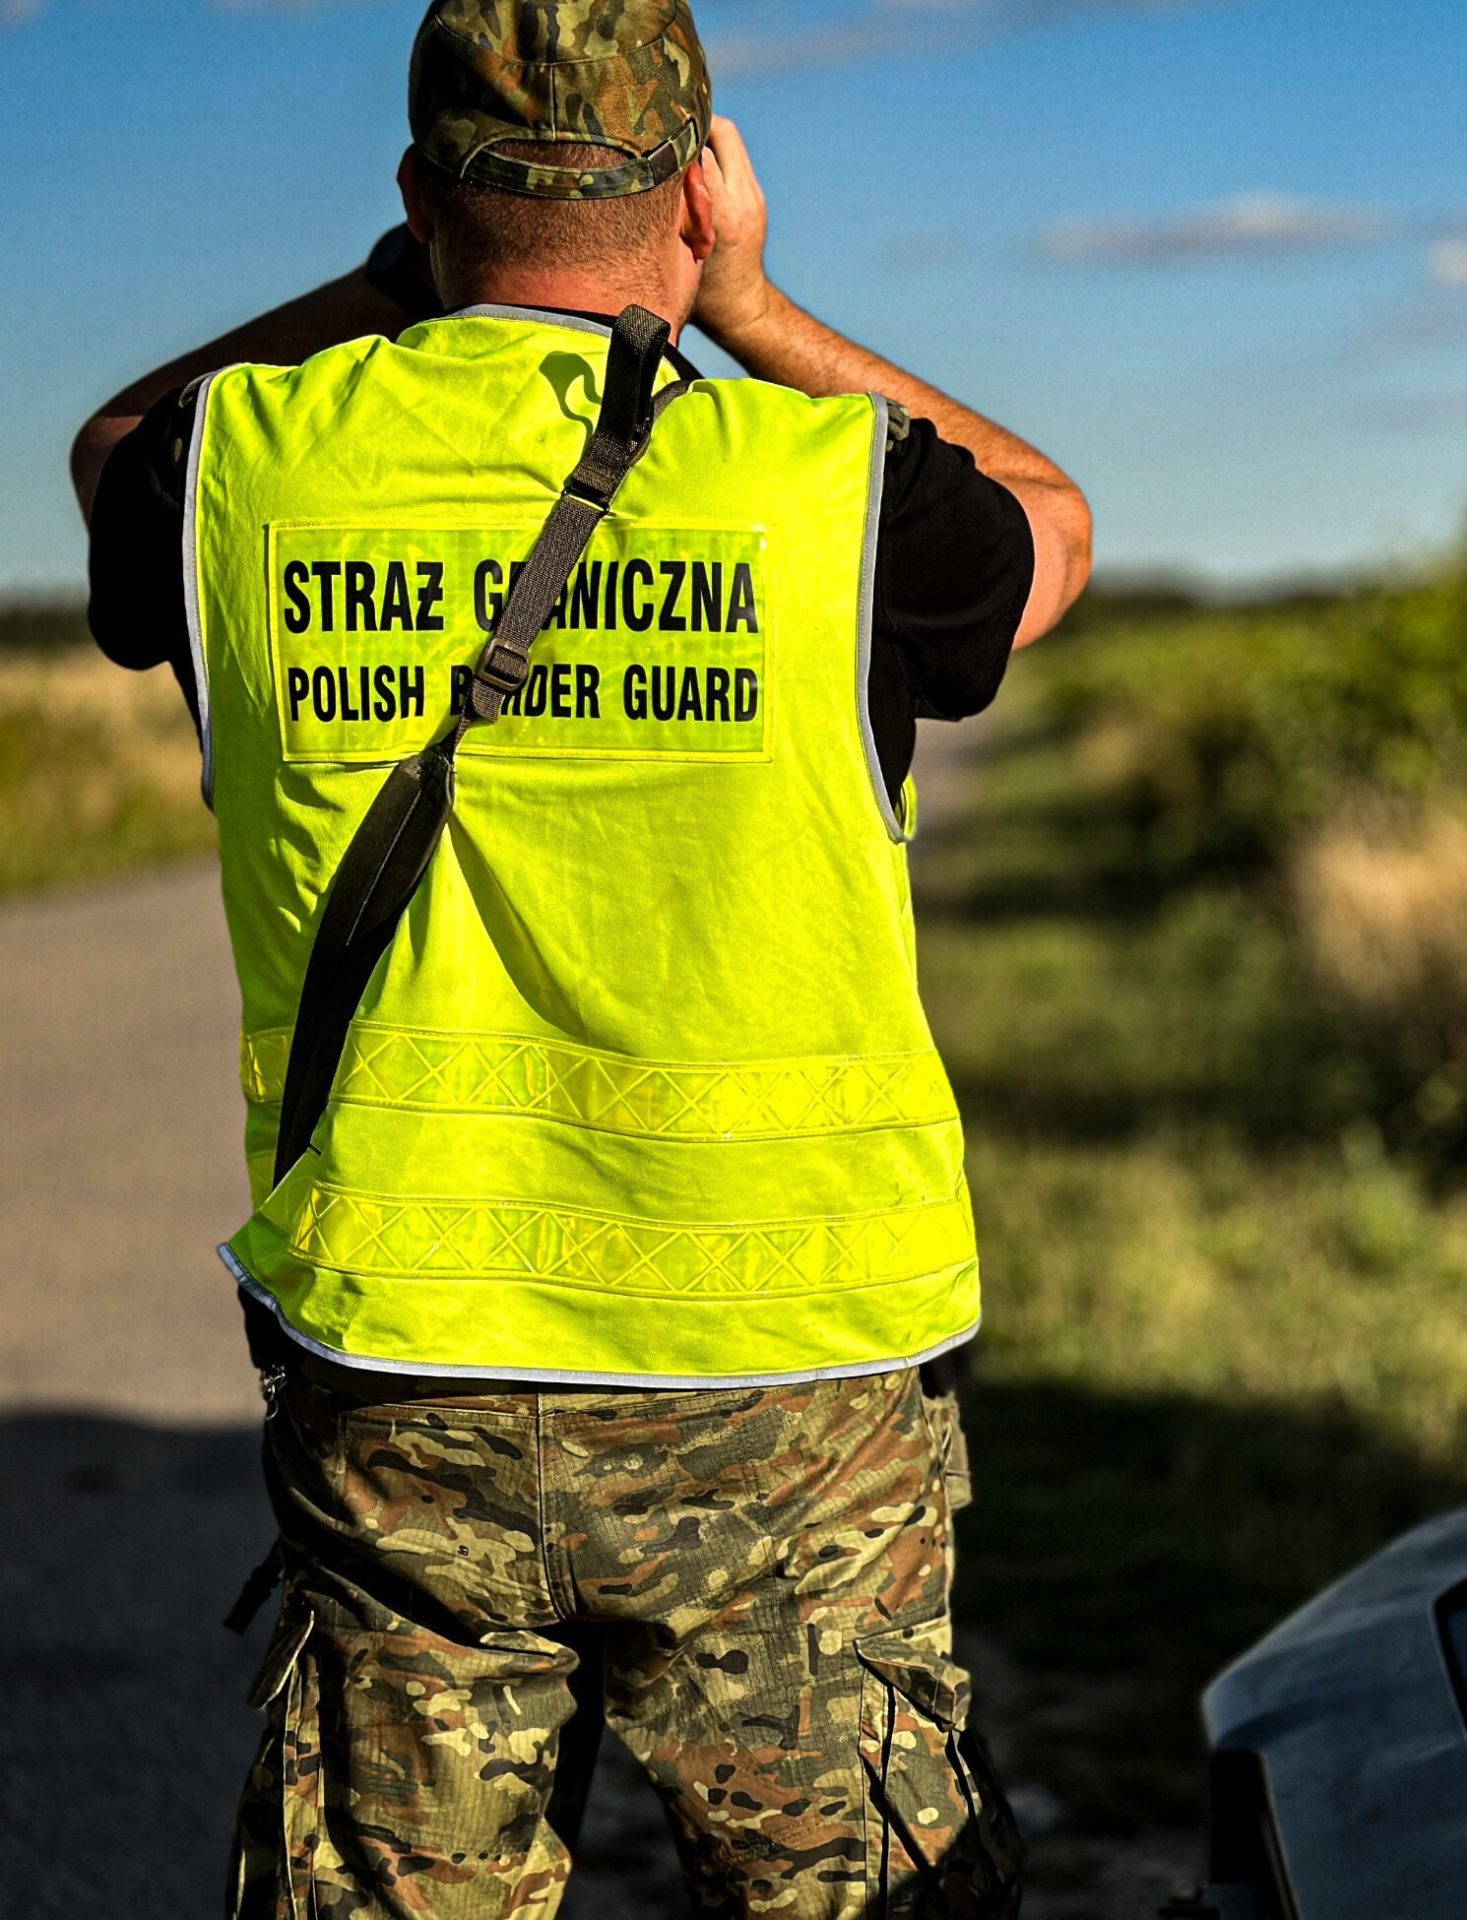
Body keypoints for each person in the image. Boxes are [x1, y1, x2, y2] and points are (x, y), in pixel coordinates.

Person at [71, 0, 1089, 1910]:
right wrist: (757, 315)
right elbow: (1055, 523)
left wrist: (390, 288)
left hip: (406, 1375)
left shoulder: (249, 465)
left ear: (413, 197)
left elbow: (110, 443)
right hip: (787, 1389)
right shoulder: (822, 484)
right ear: (695, 192)